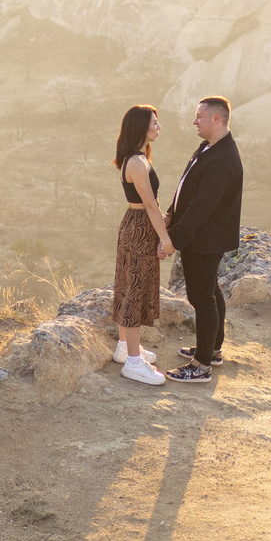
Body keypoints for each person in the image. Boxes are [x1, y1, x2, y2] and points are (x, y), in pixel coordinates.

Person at [163, 95, 243, 382]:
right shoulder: (209, 148)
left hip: (205, 238)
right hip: (204, 236)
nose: (194, 121)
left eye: (199, 116)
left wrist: (173, 239)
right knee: (211, 291)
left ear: (216, 119)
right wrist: (171, 214)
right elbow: (186, 187)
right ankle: (213, 350)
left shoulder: (222, 158)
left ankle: (201, 365)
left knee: (202, 298)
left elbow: (201, 208)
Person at [109, 103, 171, 386]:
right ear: (140, 127)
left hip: (135, 226)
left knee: (128, 285)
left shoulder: (135, 158)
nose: (159, 128)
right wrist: (166, 239)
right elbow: (150, 205)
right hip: (140, 229)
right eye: (154, 123)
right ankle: (133, 362)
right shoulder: (136, 162)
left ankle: (125, 347)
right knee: (134, 289)